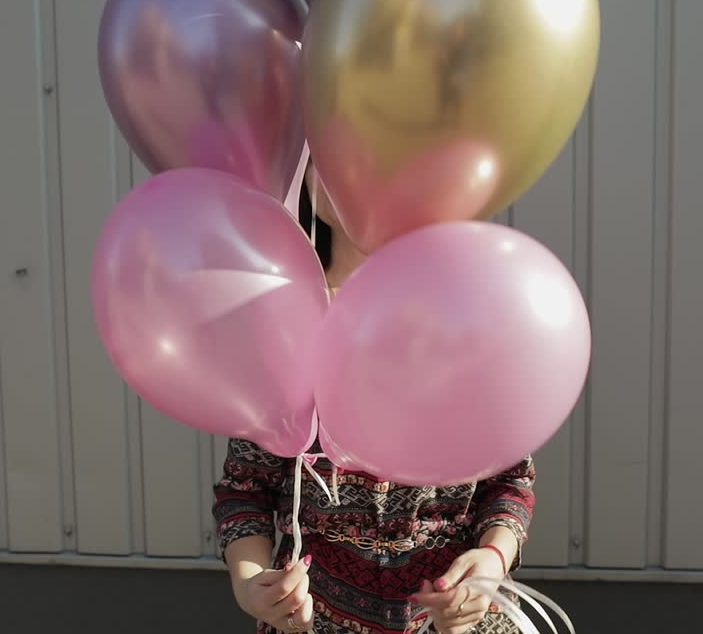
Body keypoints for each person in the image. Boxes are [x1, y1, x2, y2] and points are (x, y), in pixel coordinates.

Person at [213, 166, 536, 634]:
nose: (359, 165)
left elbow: (509, 478)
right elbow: (246, 488)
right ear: (305, 175)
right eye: (335, 150)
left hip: (461, 619)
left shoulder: (469, 313)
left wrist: (489, 563)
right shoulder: (278, 321)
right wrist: (251, 585)